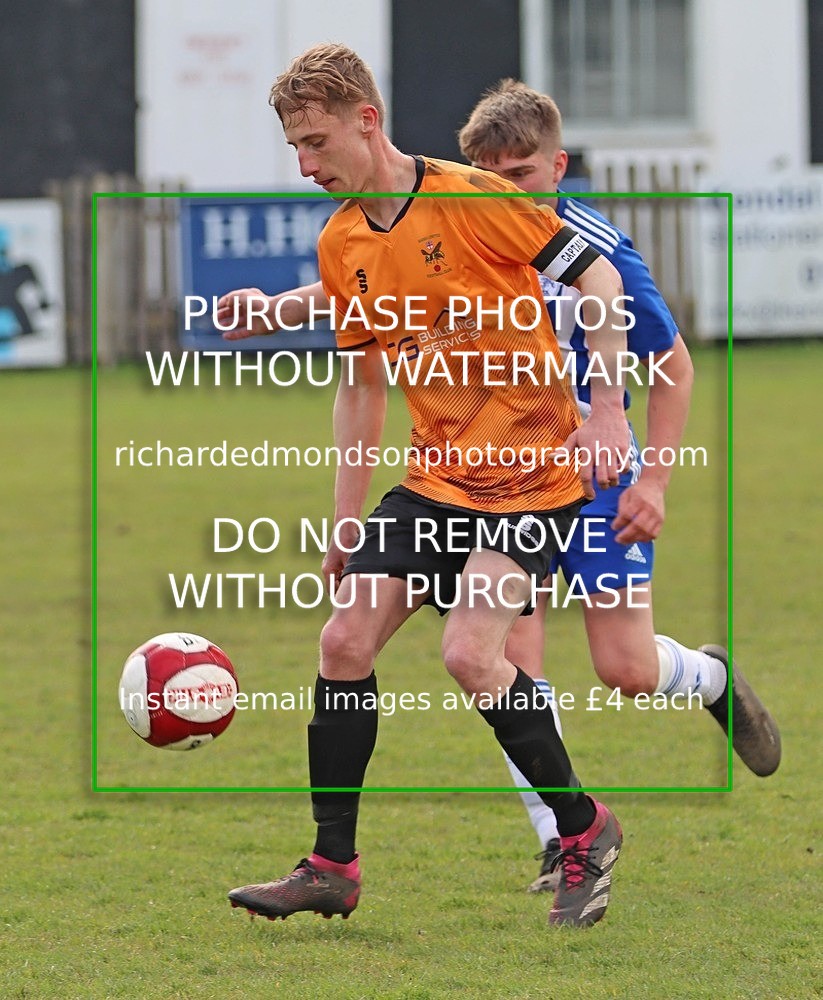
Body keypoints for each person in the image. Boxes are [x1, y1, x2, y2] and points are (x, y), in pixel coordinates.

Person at [223, 43, 631, 929]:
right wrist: (344, 520)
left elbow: (595, 276)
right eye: (294, 146)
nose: (305, 163)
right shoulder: (341, 241)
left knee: (468, 655)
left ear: (367, 120)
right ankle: (332, 864)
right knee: (342, 642)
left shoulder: (467, 196)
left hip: (535, 477)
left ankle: (583, 826)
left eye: (316, 140)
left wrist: (608, 410)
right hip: (435, 479)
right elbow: (360, 388)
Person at [457, 80, 781, 891]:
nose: (505, 190)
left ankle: (708, 677)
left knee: (625, 668)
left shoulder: (592, 248)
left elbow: (673, 369)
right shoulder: (460, 238)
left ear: (558, 166)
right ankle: (562, 836)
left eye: (522, 173)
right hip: (501, 485)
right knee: (500, 653)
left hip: (599, 480)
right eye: (488, 175)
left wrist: (655, 481)